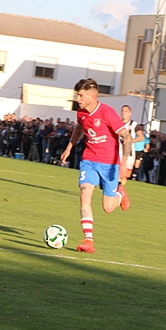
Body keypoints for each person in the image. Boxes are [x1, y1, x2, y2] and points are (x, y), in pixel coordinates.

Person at [59, 78, 132, 253]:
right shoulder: (81, 113)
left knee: (108, 208)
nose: (78, 99)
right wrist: (69, 147)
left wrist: (123, 164)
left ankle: (120, 193)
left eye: (81, 95)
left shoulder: (107, 113)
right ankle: (89, 240)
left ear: (91, 96)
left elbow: (127, 137)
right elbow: (79, 129)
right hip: (89, 160)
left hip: (110, 164)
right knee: (84, 195)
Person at [119, 105, 138, 189]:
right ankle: (118, 191)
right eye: (122, 111)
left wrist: (130, 141)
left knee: (126, 174)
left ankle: (120, 191)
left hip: (129, 152)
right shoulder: (118, 123)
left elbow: (141, 137)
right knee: (118, 172)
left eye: (126, 111)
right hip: (117, 150)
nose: (124, 113)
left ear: (130, 113)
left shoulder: (134, 124)